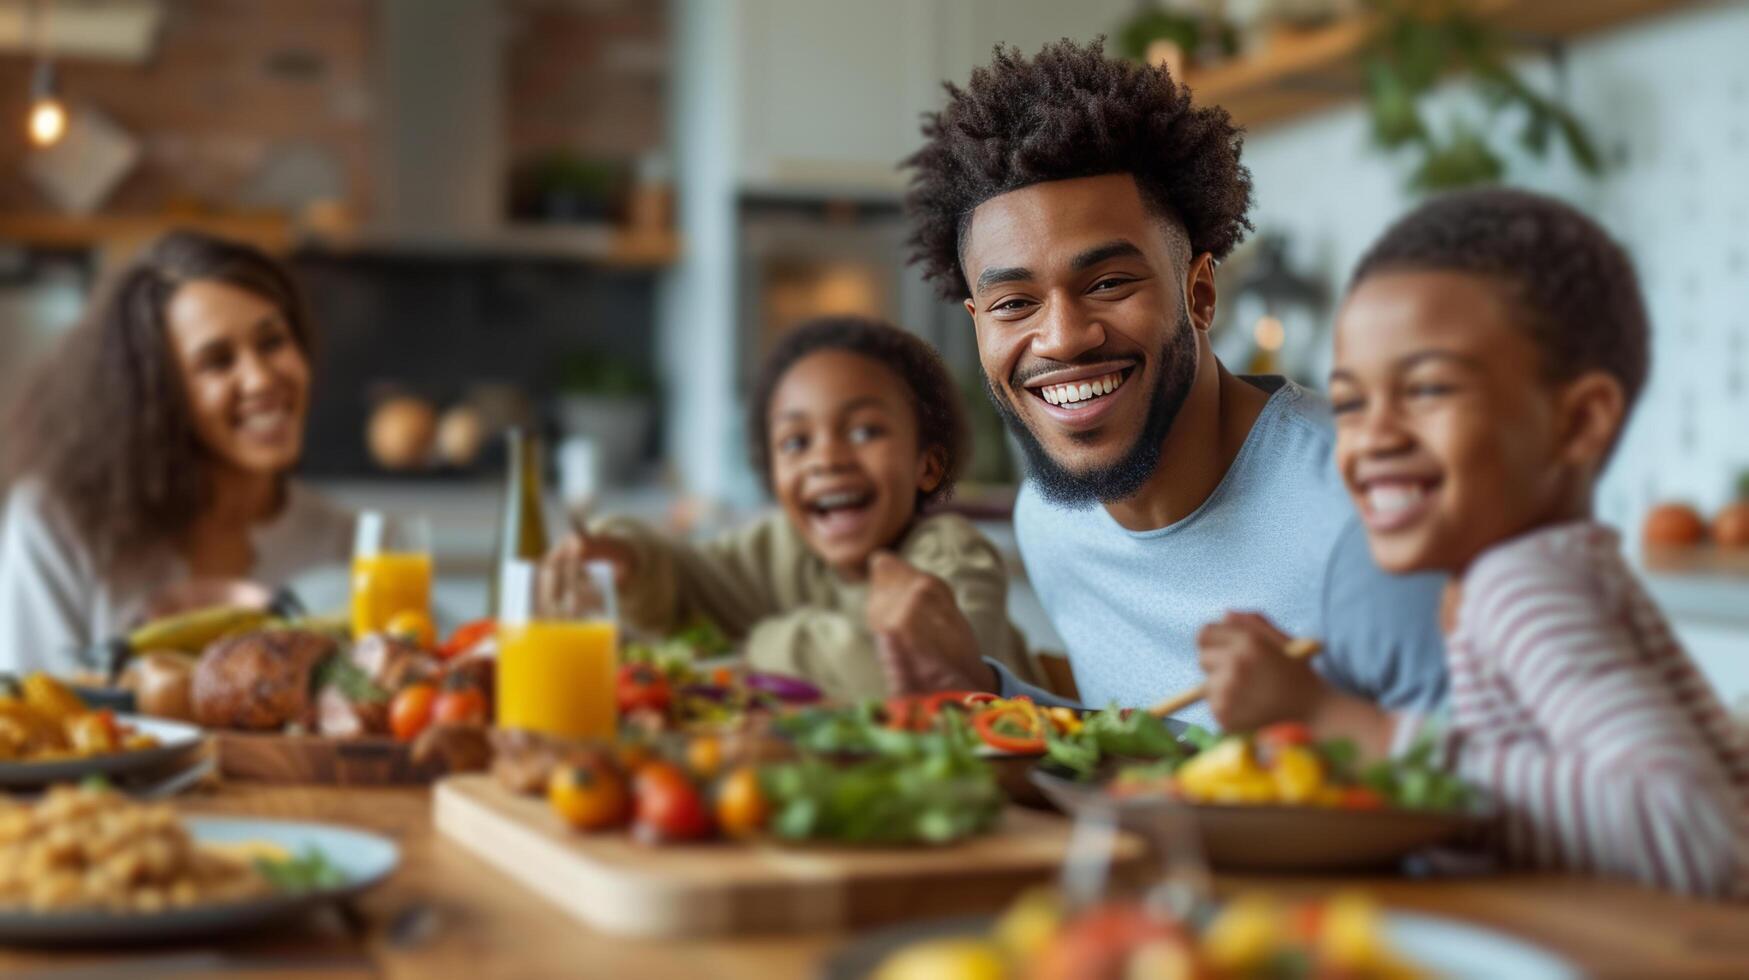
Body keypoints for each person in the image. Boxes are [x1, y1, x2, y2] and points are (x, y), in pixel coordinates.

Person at [897, 39, 1446, 725]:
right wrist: (979, 689)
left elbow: (1509, 794)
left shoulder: (1368, 505)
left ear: (1200, 294)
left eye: (1107, 283)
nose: (1062, 337)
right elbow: (1139, 755)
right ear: (978, 325)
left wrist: (1324, 720)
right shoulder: (1049, 524)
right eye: (1014, 303)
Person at [1226, 188, 1744, 896]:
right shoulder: (1507, 578)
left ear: (1578, 423)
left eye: (1429, 389)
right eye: (1349, 401)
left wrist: (1344, 725)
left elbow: (1695, 832)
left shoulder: (1522, 586)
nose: (1372, 437)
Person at [546, 315, 1037, 701]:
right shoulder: (778, 545)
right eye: (796, 441)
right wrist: (628, 559)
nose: (826, 460)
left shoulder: (953, 557)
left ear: (927, 465)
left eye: (865, 431)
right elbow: (685, 581)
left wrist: (758, 646)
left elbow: (924, 682)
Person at [0, 231, 352, 673]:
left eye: (272, 342)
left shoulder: (347, 546)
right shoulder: (57, 524)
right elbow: (28, 719)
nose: (261, 379)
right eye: (218, 361)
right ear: (157, 394)